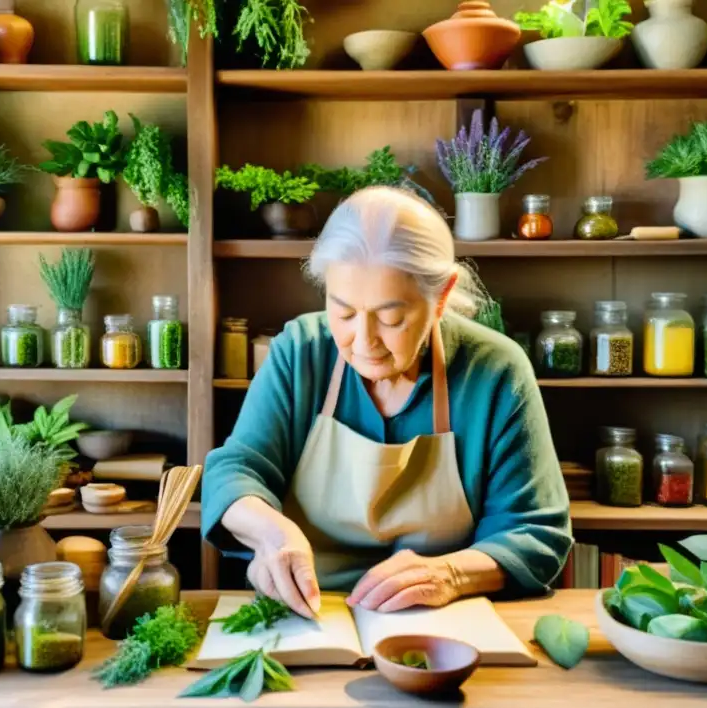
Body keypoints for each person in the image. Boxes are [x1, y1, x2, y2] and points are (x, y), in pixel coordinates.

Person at [201, 186, 572, 618]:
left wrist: (450, 574)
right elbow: (234, 469)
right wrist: (270, 535)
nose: (363, 342)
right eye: (342, 312)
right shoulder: (299, 350)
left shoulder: (495, 371)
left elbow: (535, 530)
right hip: (310, 616)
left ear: (442, 297)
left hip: (445, 623)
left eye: (391, 319)